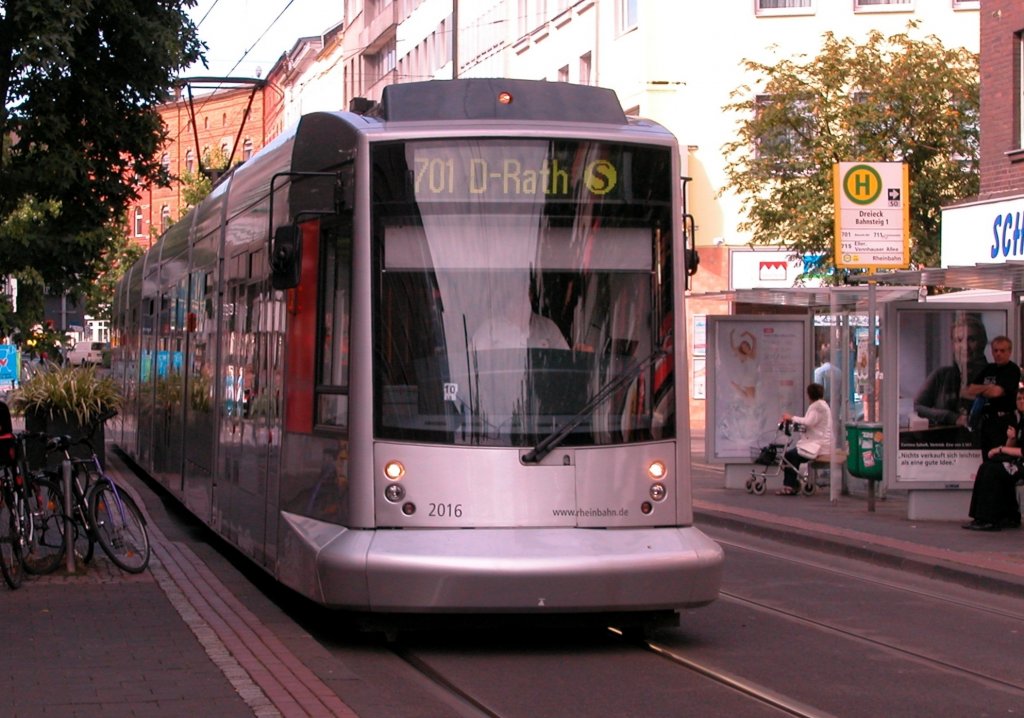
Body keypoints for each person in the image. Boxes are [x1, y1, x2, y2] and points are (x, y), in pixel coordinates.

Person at [962, 388, 1024, 531]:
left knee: (993, 472)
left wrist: (1000, 449)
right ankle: (984, 516)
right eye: (1018, 399)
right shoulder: (1020, 420)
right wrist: (1011, 438)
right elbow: (1014, 447)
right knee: (986, 466)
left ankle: (989, 519)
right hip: (1017, 462)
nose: (1020, 402)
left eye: (1023, 399)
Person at [913, 314, 989, 428]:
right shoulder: (941, 375)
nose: (965, 346)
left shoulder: (994, 376)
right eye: (959, 340)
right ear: (953, 345)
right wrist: (952, 417)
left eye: (971, 339)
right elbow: (918, 406)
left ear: (983, 342)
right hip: (946, 442)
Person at [960, 335, 1021, 457]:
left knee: (1001, 458)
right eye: (995, 350)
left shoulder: (1012, 370)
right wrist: (989, 388)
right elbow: (968, 390)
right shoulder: (989, 368)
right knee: (986, 457)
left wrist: (982, 390)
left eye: (1002, 351)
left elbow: (996, 392)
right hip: (987, 421)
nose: (998, 354)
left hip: (1004, 421)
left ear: (1009, 352)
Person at [778, 382, 832, 496]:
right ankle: (792, 483)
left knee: (789, 456)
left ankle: (789, 485)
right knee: (792, 455)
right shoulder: (823, 405)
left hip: (818, 446)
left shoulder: (817, 407)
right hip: (820, 443)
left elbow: (808, 422)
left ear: (809, 395)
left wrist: (791, 418)